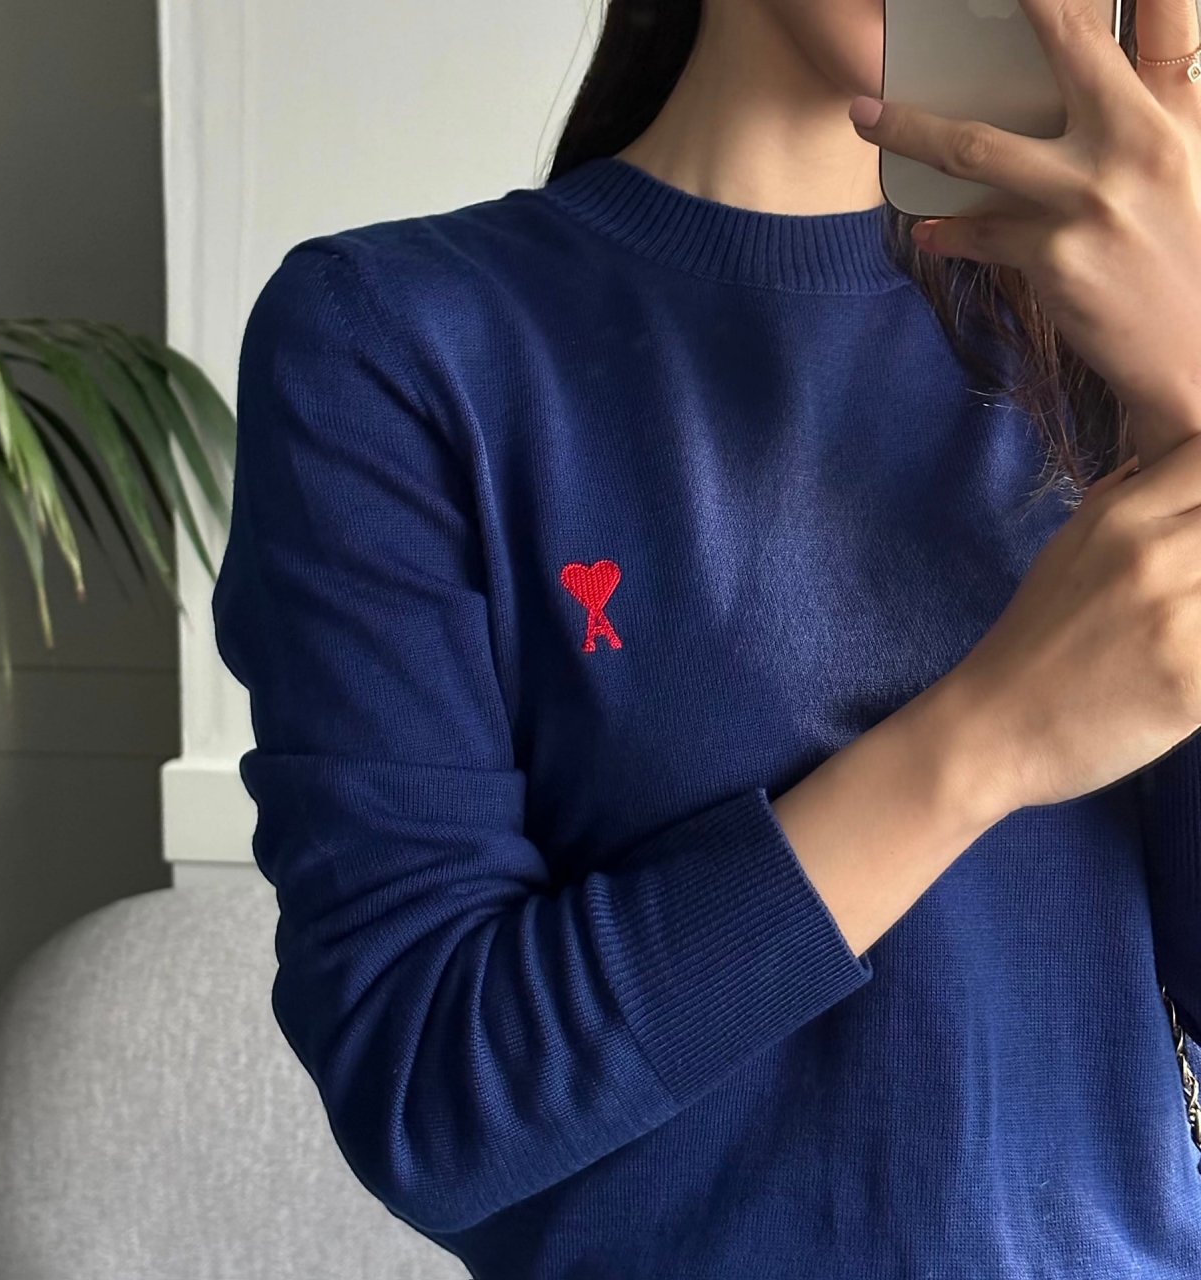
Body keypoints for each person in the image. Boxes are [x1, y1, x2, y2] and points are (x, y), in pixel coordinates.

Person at [210, 0, 1201, 1274]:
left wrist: (1190, 397)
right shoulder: (397, 342)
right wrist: (986, 742)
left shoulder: (1124, 340)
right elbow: (430, 1099)